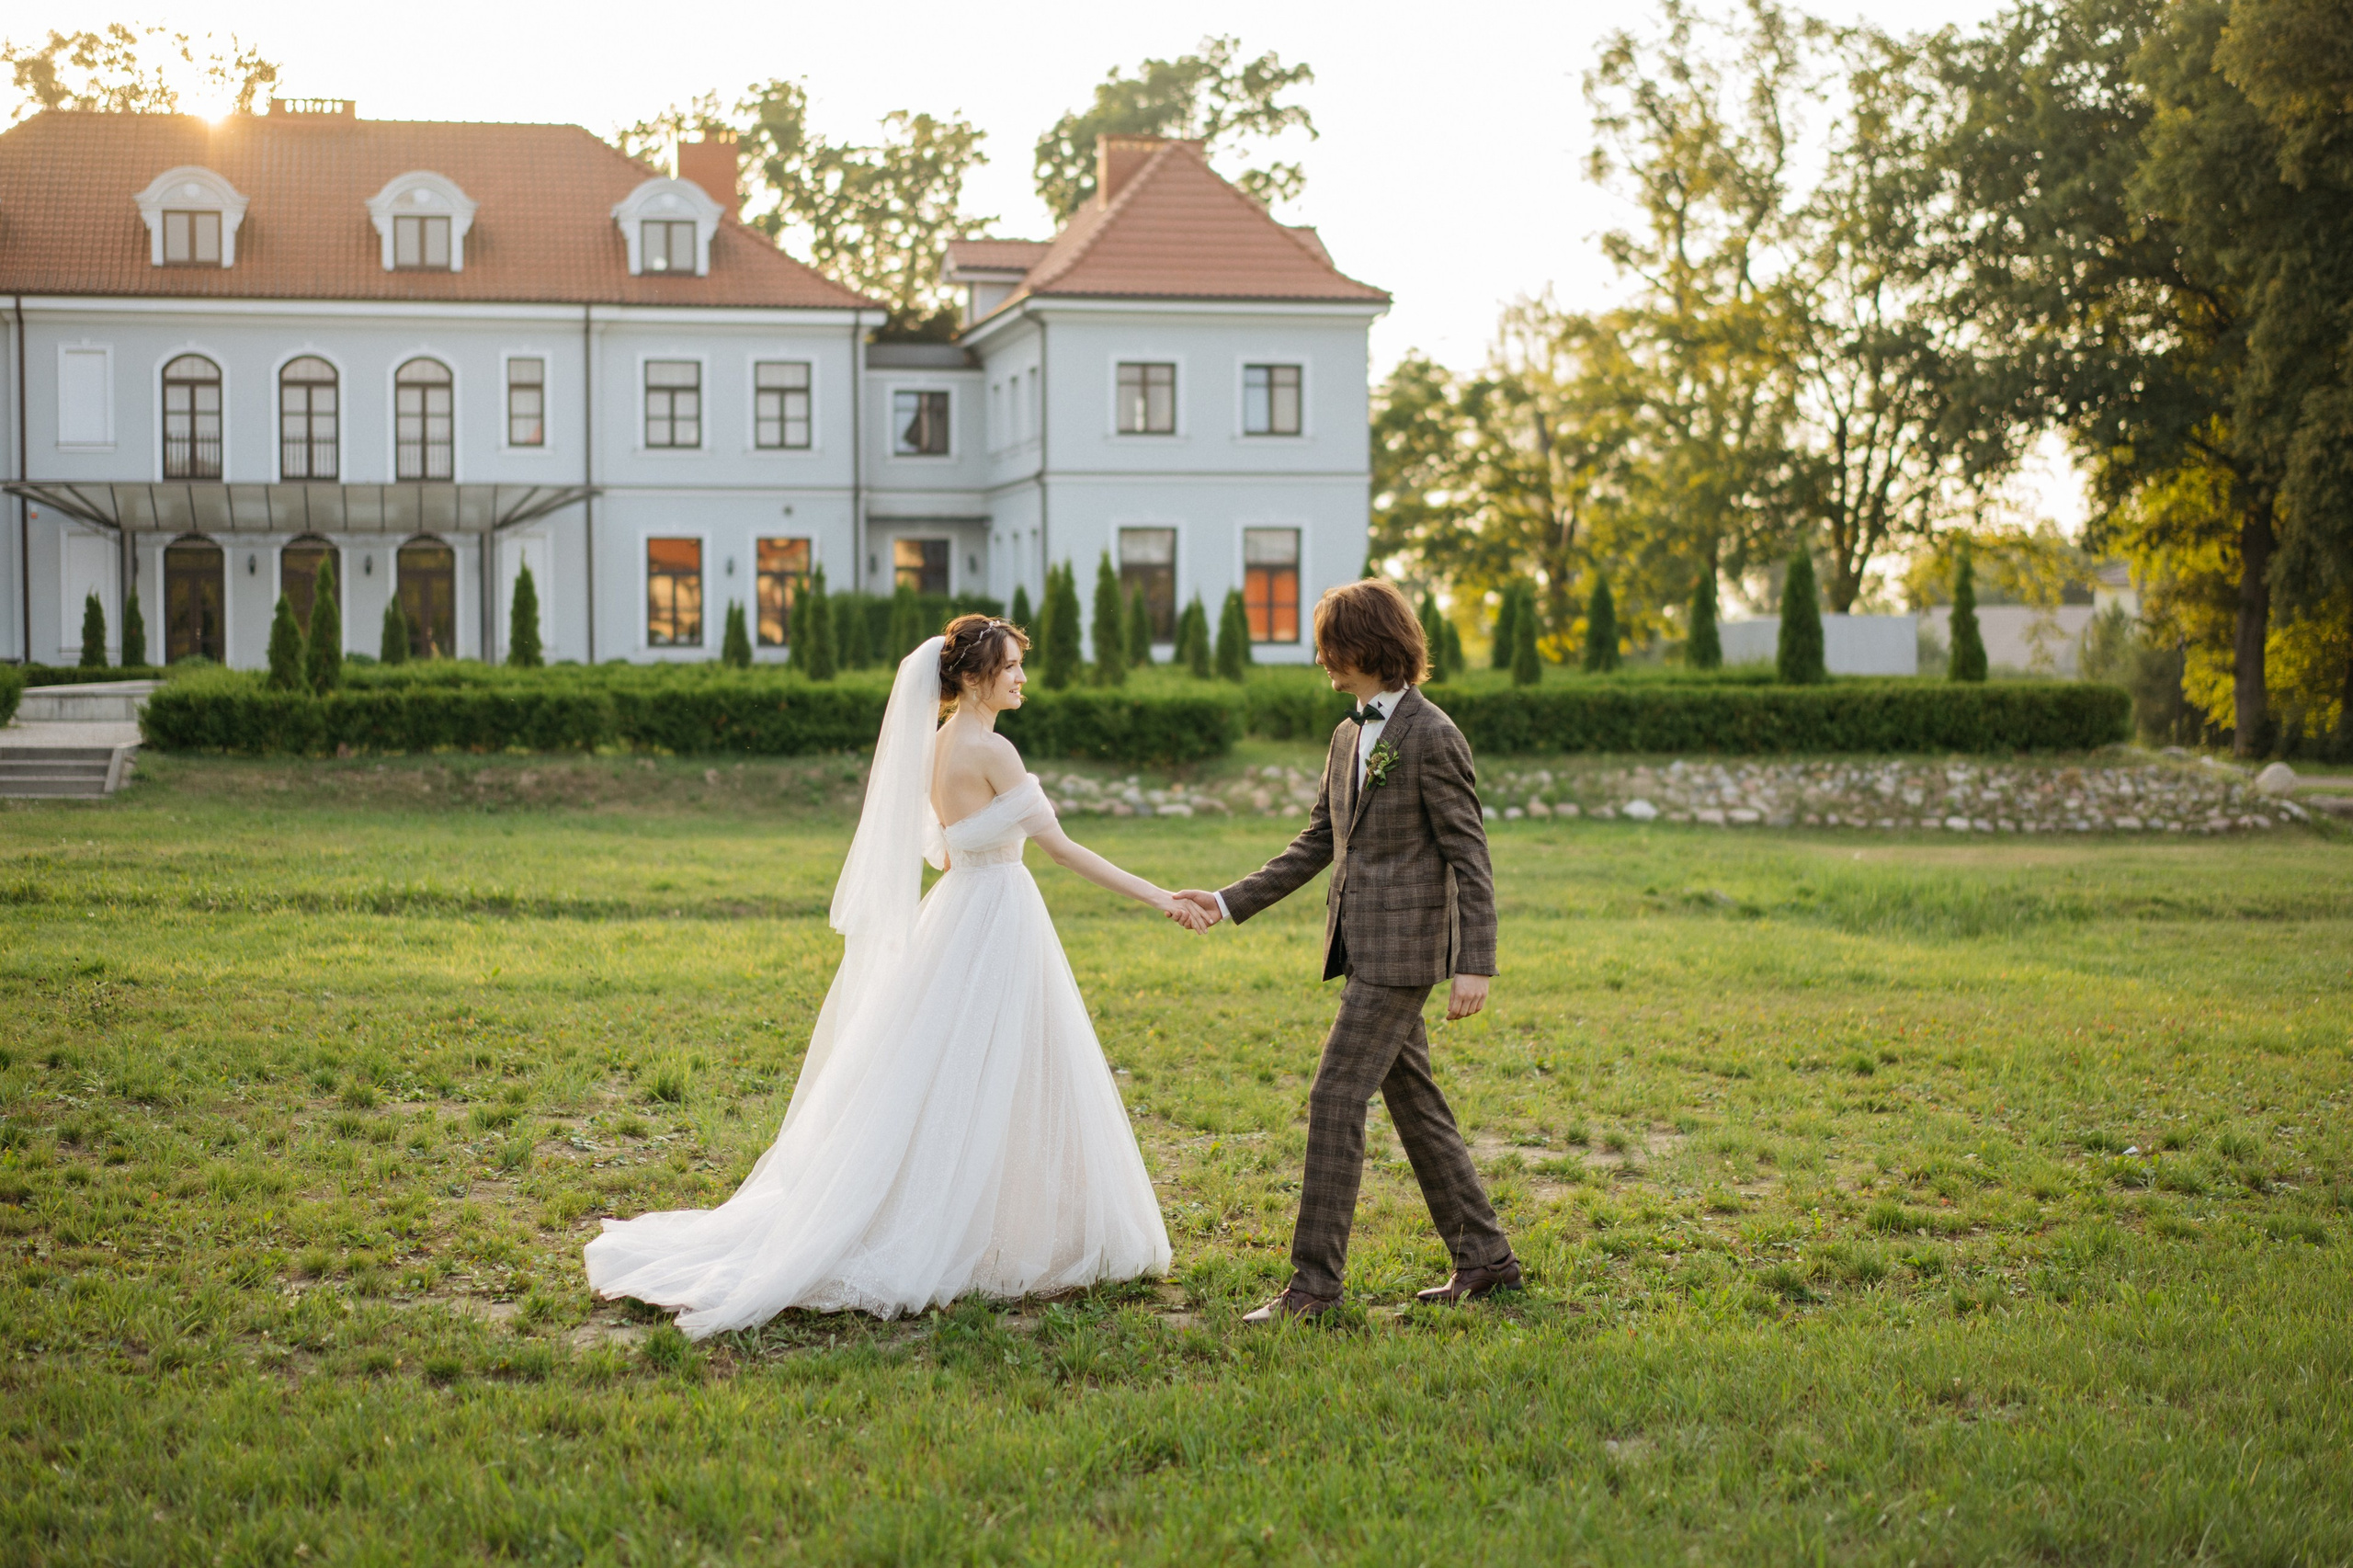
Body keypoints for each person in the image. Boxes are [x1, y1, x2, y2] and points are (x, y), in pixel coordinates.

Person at [585, 617, 1205, 1336]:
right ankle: (989, 1227)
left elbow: (941, 853)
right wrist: (1163, 895)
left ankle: (976, 1213)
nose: (1021, 678)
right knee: (1003, 1067)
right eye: (1009, 667)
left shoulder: (936, 745)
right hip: (997, 915)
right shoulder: (994, 750)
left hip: (958, 912)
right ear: (973, 678)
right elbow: (1062, 851)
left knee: (946, 1072)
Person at [1176, 578, 1517, 1322]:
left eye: (1332, 645)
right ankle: (1486, 1258)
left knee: (1335, 1097)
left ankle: (1314, 1289)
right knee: (1415, 1103)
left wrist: (1475, 962)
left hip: (1406, 954)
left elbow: (1471, 857)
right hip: (1359, 946)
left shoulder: (1433, 735)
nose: (1321, 658)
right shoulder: (1346, 734)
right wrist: (1227, 900)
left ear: (1370, 646)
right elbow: (1318, 843)